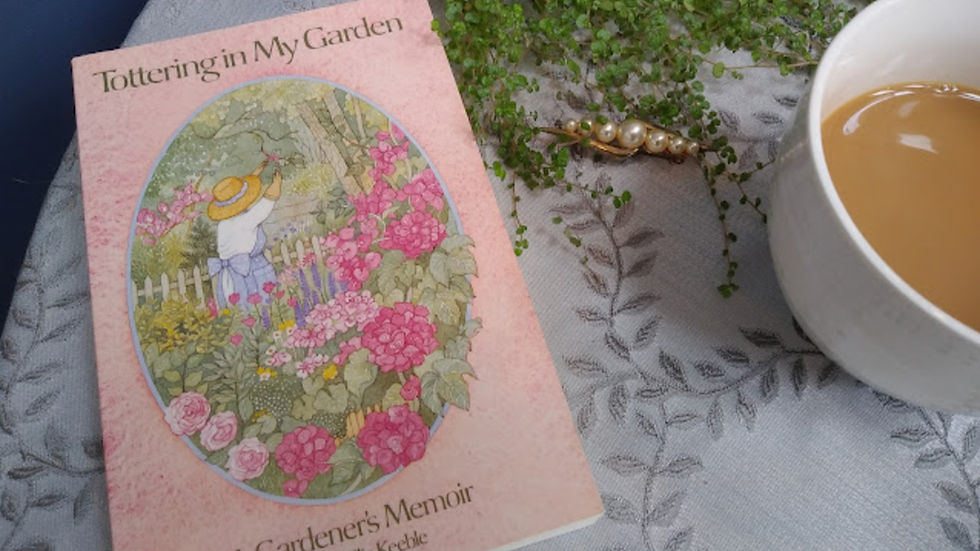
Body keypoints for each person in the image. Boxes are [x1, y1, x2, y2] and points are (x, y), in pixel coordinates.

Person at [206, 160, 281, 307]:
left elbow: (239, 194)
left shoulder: (224, 224)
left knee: (236, 309)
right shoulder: (244, 221)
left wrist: (255, 174)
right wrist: (277, 183)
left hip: (230, 275)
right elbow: (265, 204)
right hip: (250, 271)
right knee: (260, 308)